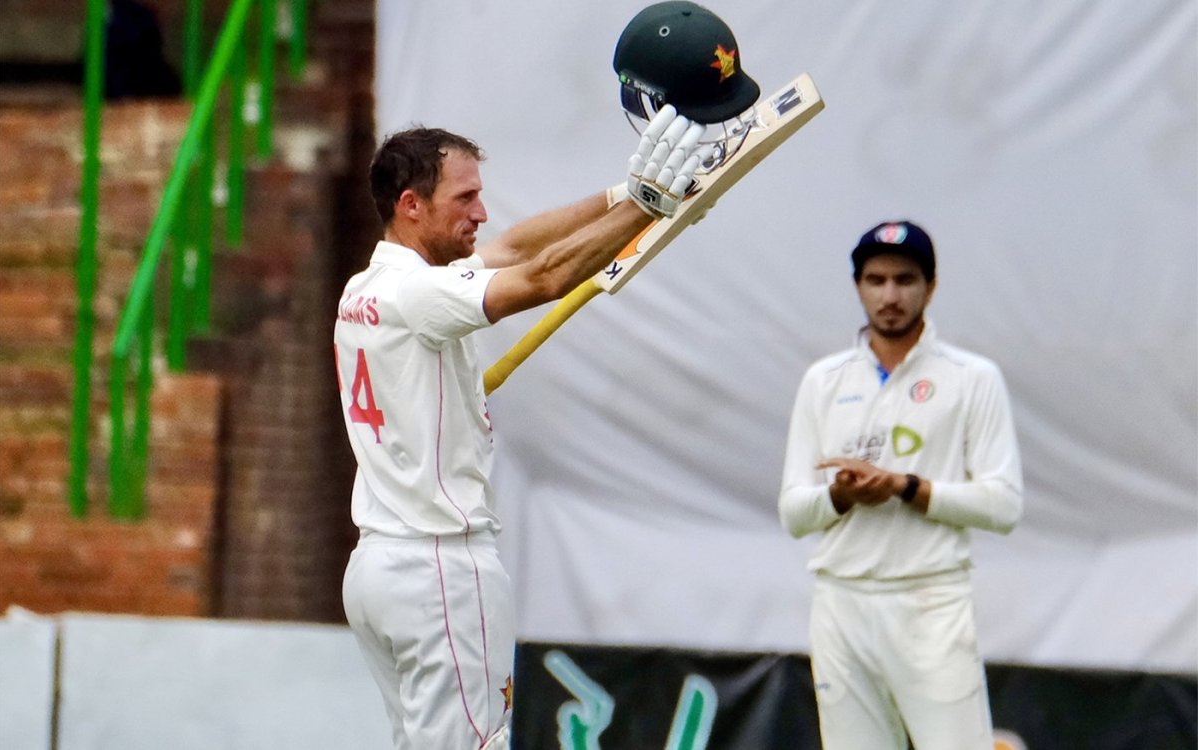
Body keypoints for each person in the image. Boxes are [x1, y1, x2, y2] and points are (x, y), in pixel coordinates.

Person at [334, 110, 709, 750]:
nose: (481, 212)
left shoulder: (369, 287)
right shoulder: (419, 295)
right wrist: (650, 206)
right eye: (466, 197)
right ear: (411, 205)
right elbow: (543, 276)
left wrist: (624, 198)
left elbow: (514, 250)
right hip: (441, 567)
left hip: (377, 570)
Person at [777, 220, 1024, 750]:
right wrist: (841, 496)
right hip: (841, 600)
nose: (890, 296)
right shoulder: (825, 380)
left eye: (905, 280)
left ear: (930, 286)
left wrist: (905, 487)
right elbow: (794, 512)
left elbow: (1003, 505)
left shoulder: (971, 377)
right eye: (876, 280)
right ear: (858, 285)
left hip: (930, 597)